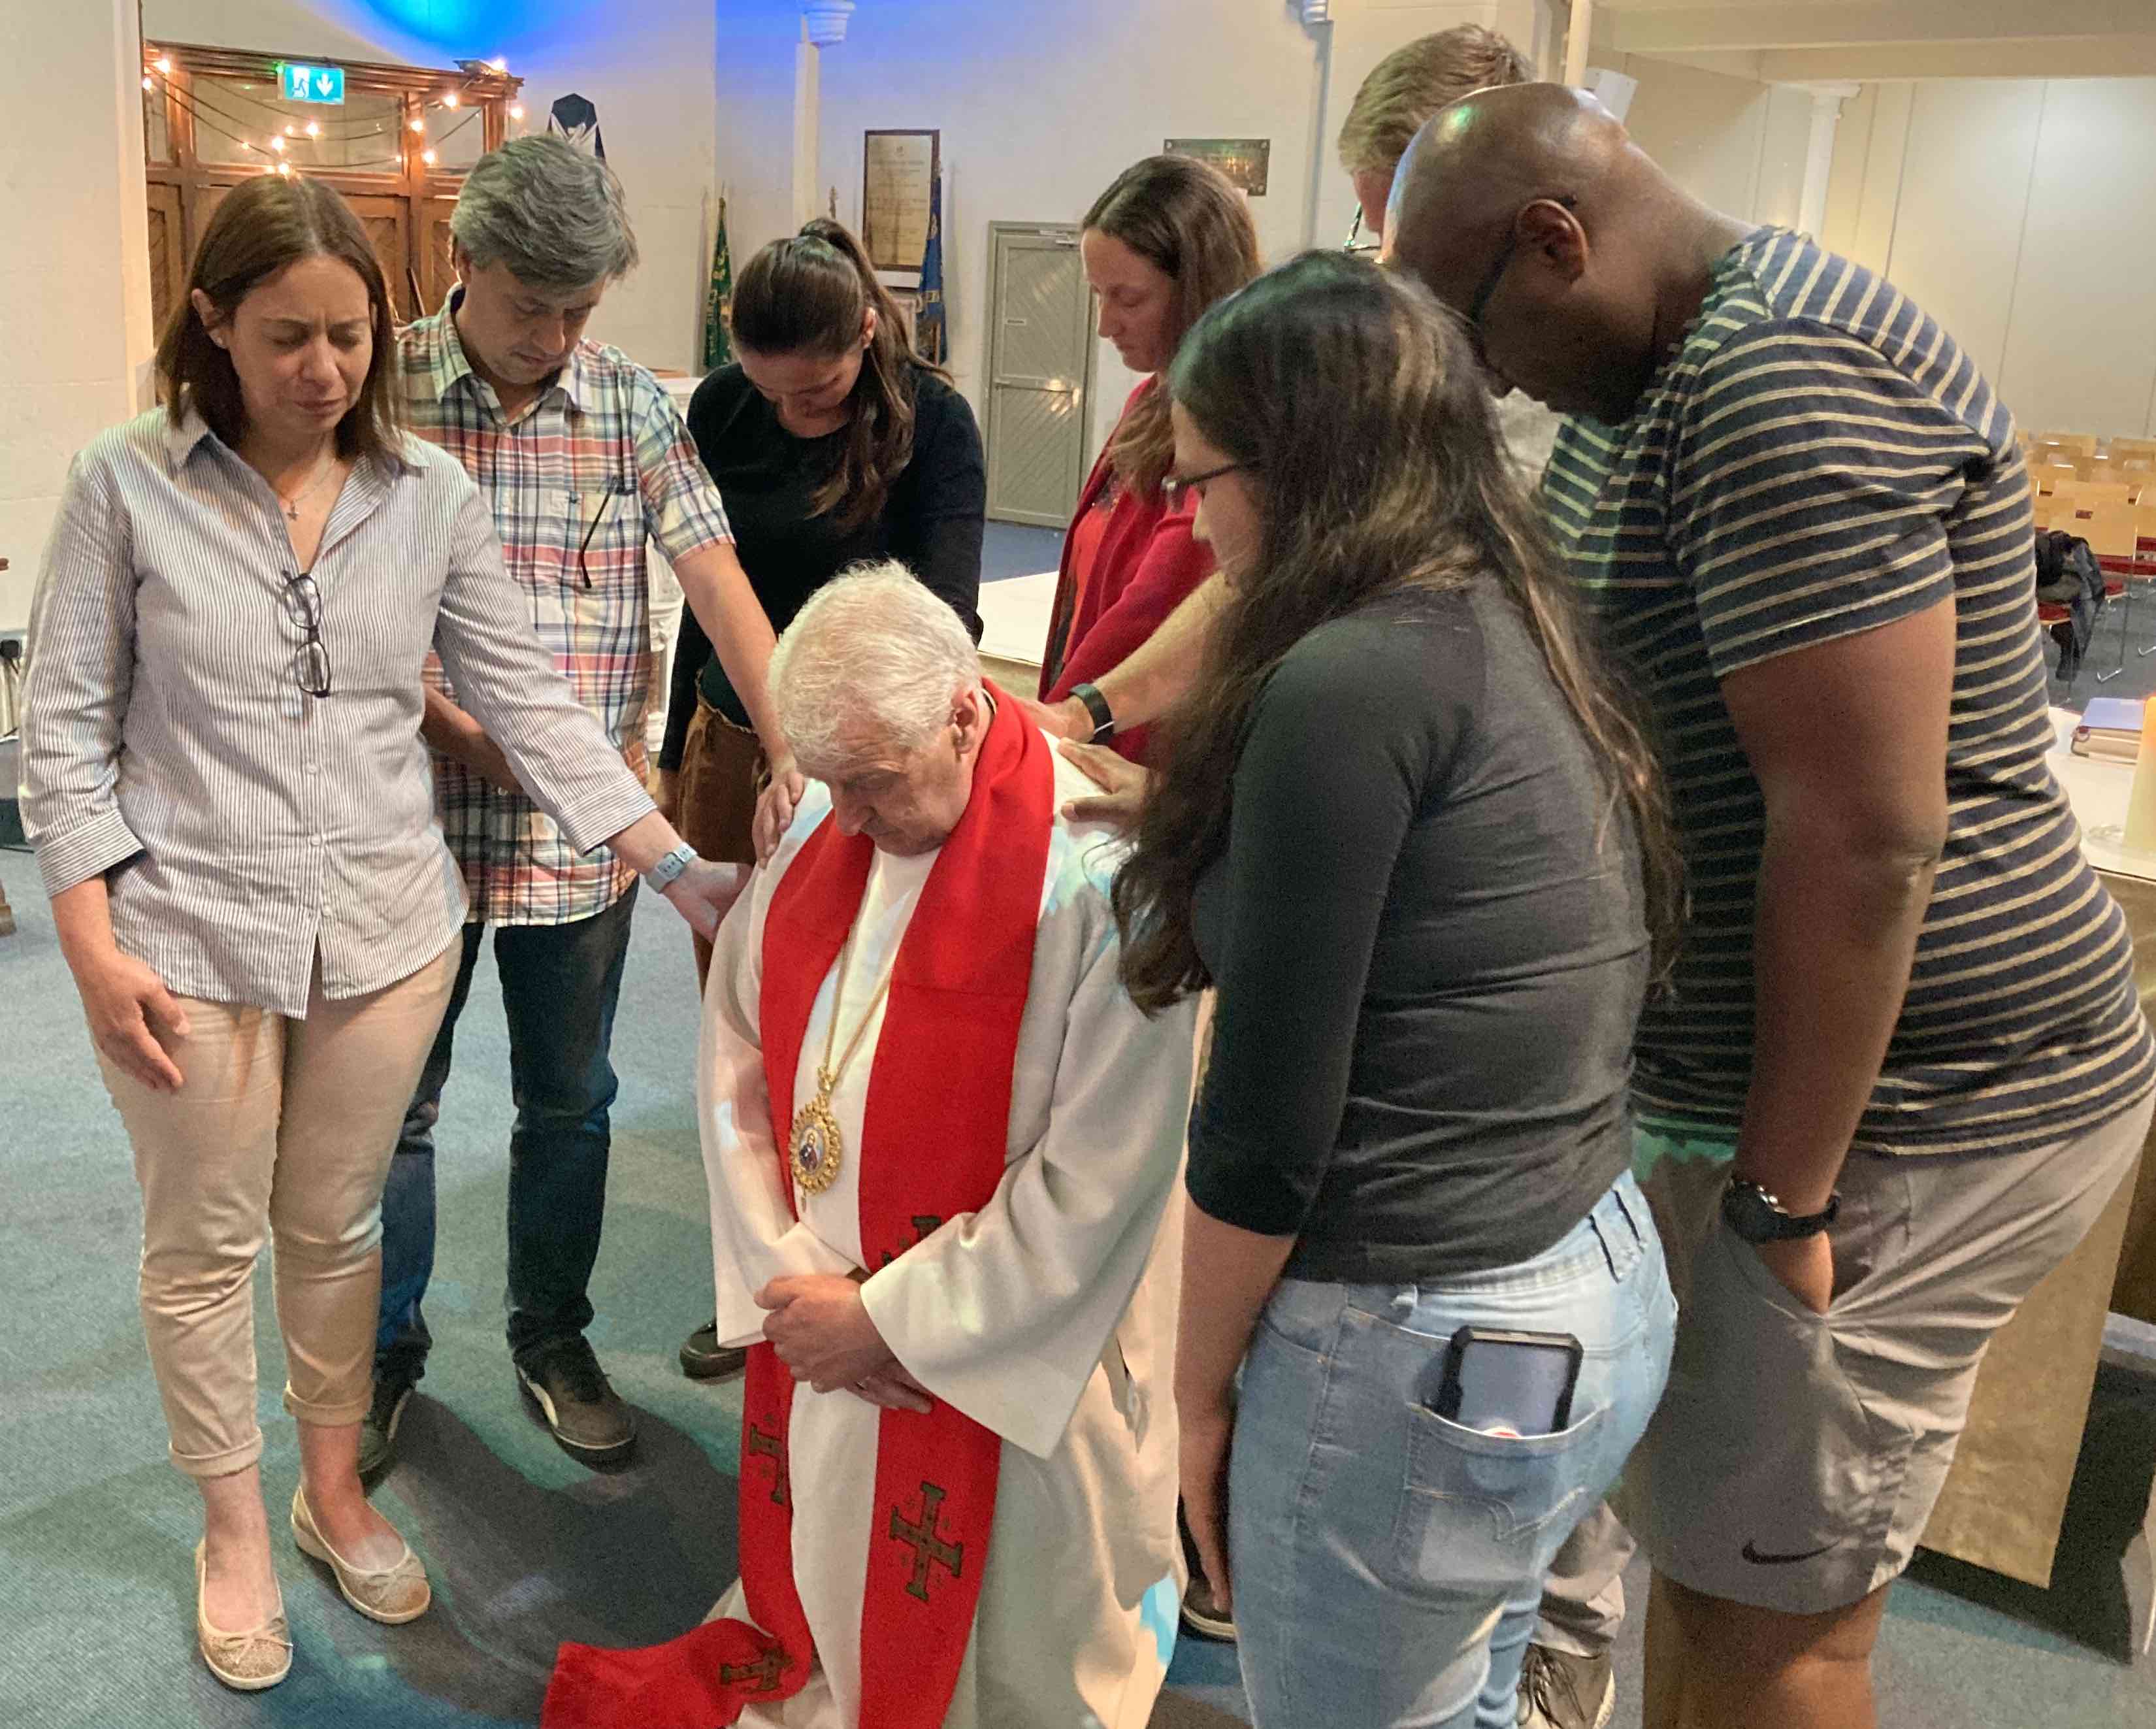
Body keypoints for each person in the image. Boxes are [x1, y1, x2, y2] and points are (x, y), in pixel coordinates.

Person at [1390, 84, 2156, 1729]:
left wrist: (1786, 1198)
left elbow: (1864, 834)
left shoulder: (1771, 376)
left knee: (1775, 1629)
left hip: (1905, 1119)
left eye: (1477, 327)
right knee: (1713, 1567)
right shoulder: (1658, 368)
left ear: (1556, 239)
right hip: (1791, 1108)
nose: (1491, 375)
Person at [18, 174, 740, 1693]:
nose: (327, 372)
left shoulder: (428, 494)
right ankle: (229, 1526)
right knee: (206, 1244)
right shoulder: (122, 480)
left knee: (338, 1226)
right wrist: (87, 942)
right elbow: (63, 732)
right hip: (187, 932)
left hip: (384, 926)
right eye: (288, 338)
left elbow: (532, 699)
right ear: (212, 323)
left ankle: (331, 1487)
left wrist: (674, 865)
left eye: (350, 336)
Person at [1115, 249, 1679, 1729]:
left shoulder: (1347, 679)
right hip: (1586, 1276)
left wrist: (1189, 1398)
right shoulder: (1504, 613)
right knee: (1466, 1693)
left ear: (1298, 471)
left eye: (1205, 478)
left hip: (1417, 1327)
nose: (1192, 515)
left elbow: (1269, 1121)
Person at [542, 565, 1199, 1729]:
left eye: (872, 785)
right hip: (817, 1317)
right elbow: (734, 1060)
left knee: (1001, 1680)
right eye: (827, 779)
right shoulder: (818, 817)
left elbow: (1099, 1186)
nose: (839, 819)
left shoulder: (1097, 879)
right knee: (823, 1603)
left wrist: (888, 1320)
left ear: (962, 710)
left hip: (998, 1356)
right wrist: (788, 1278)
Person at [362, 136, 788, 1481]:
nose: (553, 336)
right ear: (461, 262)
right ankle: (382, 1359)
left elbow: (717, 582)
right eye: (530, 305)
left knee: (572, 1102)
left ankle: (554, 1336)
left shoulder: (627, 406)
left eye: (579, 310)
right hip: (405, 827)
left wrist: (792, 740)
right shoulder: (380, 397)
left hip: (581, 838)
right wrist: (450, 725)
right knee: (395, 1112)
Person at [663, 217, 987, 1382]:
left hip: (853, 759)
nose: (793, 413)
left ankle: (851, 1277)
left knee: (849, 1022)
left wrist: (823, 766)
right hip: (728, 733)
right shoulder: (715, 408)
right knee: (740, 1035)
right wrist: (675, 750)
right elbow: (709, 595)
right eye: (770, 392)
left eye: (818, 392)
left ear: (864, 333)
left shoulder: (933, 420)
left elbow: (945, 617)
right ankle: (753, 1282)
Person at [1037, 154, 1259, 766]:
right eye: (1098, 296)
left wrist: (1068, 716)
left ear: (1197, 287)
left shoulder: (1229, 417)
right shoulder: (1150, 398)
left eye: (1128, 298)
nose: (1106, 324)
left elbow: (1163, 592)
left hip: (1150, 736)